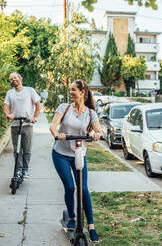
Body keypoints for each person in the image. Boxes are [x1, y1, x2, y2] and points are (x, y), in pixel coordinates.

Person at [49, 79, 102, 243]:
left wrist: (97, 134)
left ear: (82, 92)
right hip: (60, 153)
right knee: (70, 186)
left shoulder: (91, 113)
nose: (71, 92)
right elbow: (53, 126)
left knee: (83, 189)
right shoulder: (64, 107)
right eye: (70, 90)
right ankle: (72, 216)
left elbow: (98, 129)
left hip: (79, 154)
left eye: (73, 90)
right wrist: (58, 134)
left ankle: (91, 227)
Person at [3, 72, 41, 178]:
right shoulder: (10, 93)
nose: (13, 79)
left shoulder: (30, 90)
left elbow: (38, 105)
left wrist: (34, 117)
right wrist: (8, 114)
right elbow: (6, 106)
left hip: (27, 125)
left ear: (20, 78)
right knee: (17, 149)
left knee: (27, 149)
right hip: (15, 125)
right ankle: (18, 169)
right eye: (11, 79)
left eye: (15, 77)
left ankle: (25, 170)